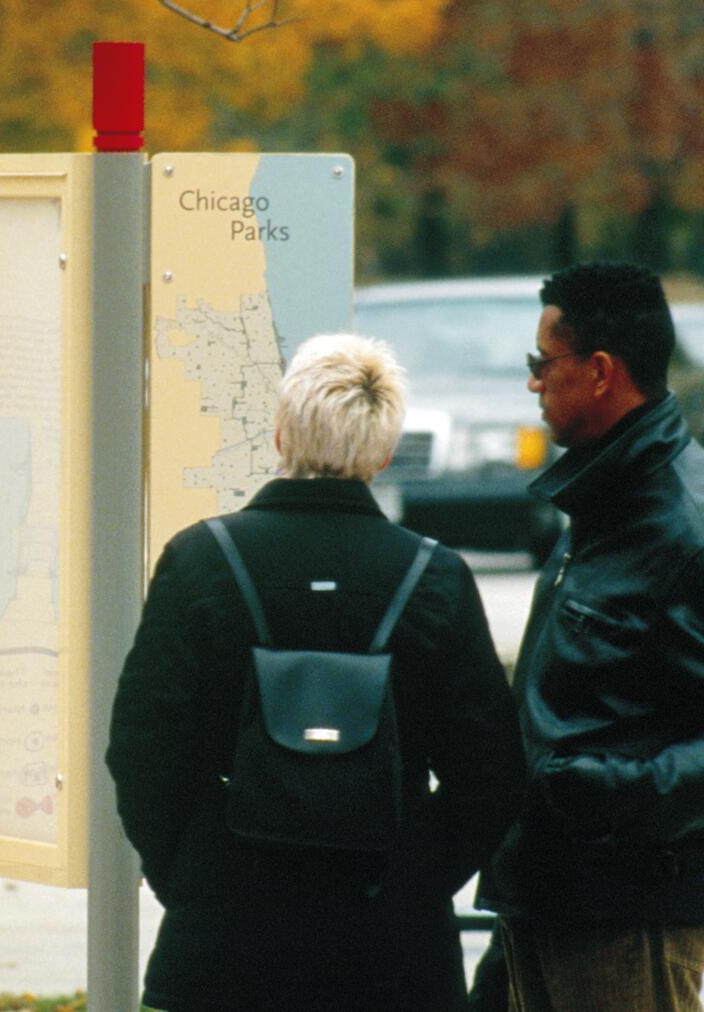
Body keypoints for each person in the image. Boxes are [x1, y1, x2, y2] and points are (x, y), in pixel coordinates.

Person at [107, 333, 525, 1011]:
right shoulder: (434, 578)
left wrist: (193, 876)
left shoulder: (201, 562)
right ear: (385, 452)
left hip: (224, 945)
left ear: (279, 433)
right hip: (393, 951)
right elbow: (492, 772)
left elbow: (141, 750)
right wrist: (416, 879)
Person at [476, 261, 704, 1011]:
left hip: (625, 914)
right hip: (548, 897)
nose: (534, 384)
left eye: (543, 364)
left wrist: (606, 794)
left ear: (601, 371)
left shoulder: (682, 525)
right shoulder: (603, 502)